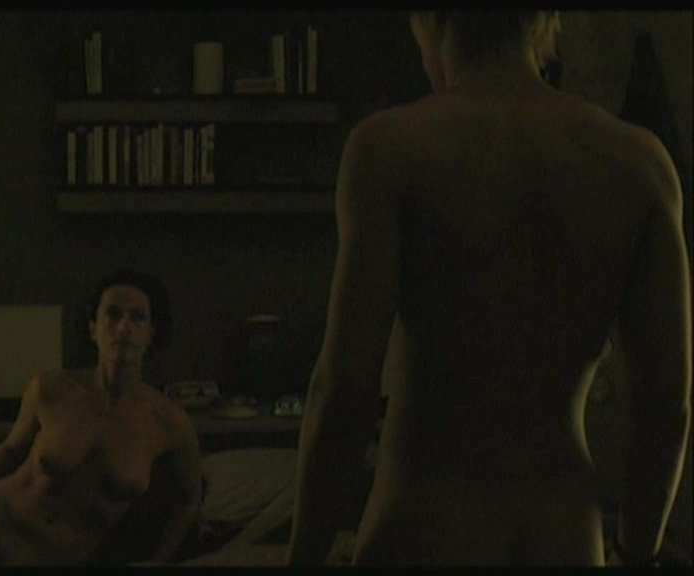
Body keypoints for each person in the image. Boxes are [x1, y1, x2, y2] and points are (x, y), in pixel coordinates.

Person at [287, 11, 691, 567]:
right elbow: (666, 405)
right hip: (562, 540)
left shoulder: (389, 149)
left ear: (432, 20)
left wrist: (304, 559)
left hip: (422, 535)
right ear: (543, 22)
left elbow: (343, 391)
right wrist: (637, 552)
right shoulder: (640, 164)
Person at [0, 269, 202, 566]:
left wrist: (160, 561)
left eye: (137, 317)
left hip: (51, 555)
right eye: (113, 315)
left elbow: (189, 500)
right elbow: (10, 451)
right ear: (93, 329)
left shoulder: (168, 422)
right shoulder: (52, 388)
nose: (124, 327)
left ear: (151, 333)